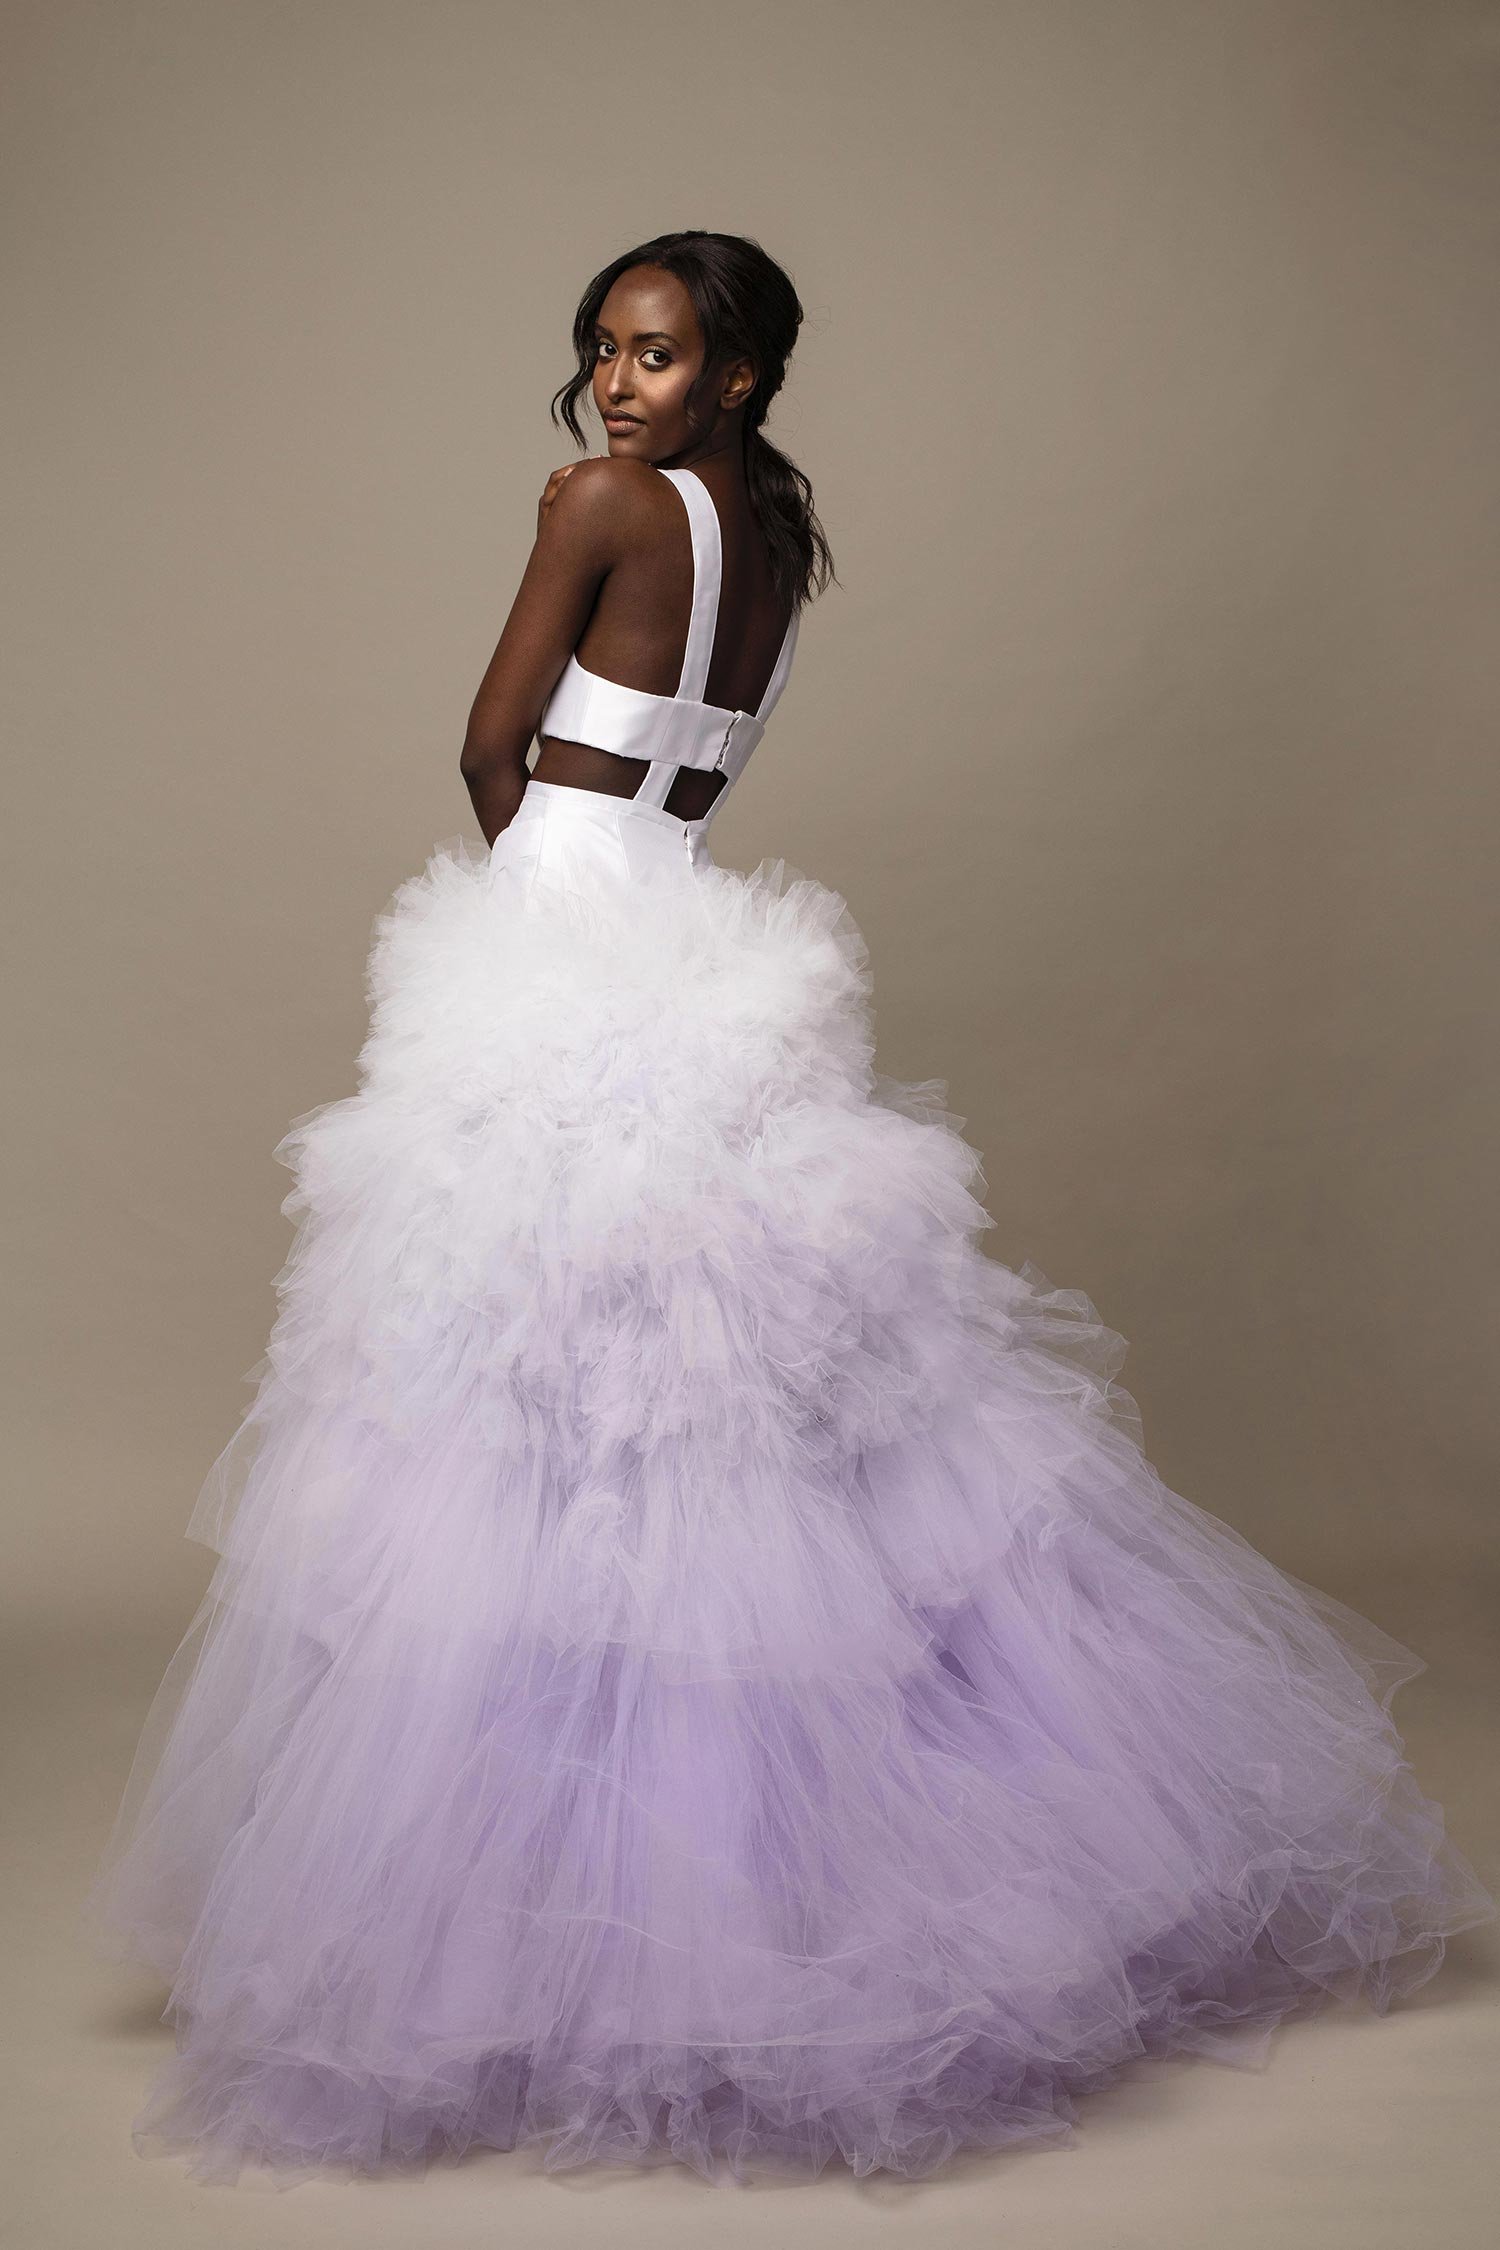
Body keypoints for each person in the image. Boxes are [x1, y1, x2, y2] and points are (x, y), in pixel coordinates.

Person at [83, 229, 1495, 2190]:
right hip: (697, 935)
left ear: (738, 373)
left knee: (528, 1406)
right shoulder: (769, 530)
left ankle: (554, 1927)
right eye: (601, 351)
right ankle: (718, 1879)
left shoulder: (601, 506)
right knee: (732, 1420)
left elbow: (493, 747)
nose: (616, 382)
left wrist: (531, 929)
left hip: (571, 945)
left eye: (658, 353)